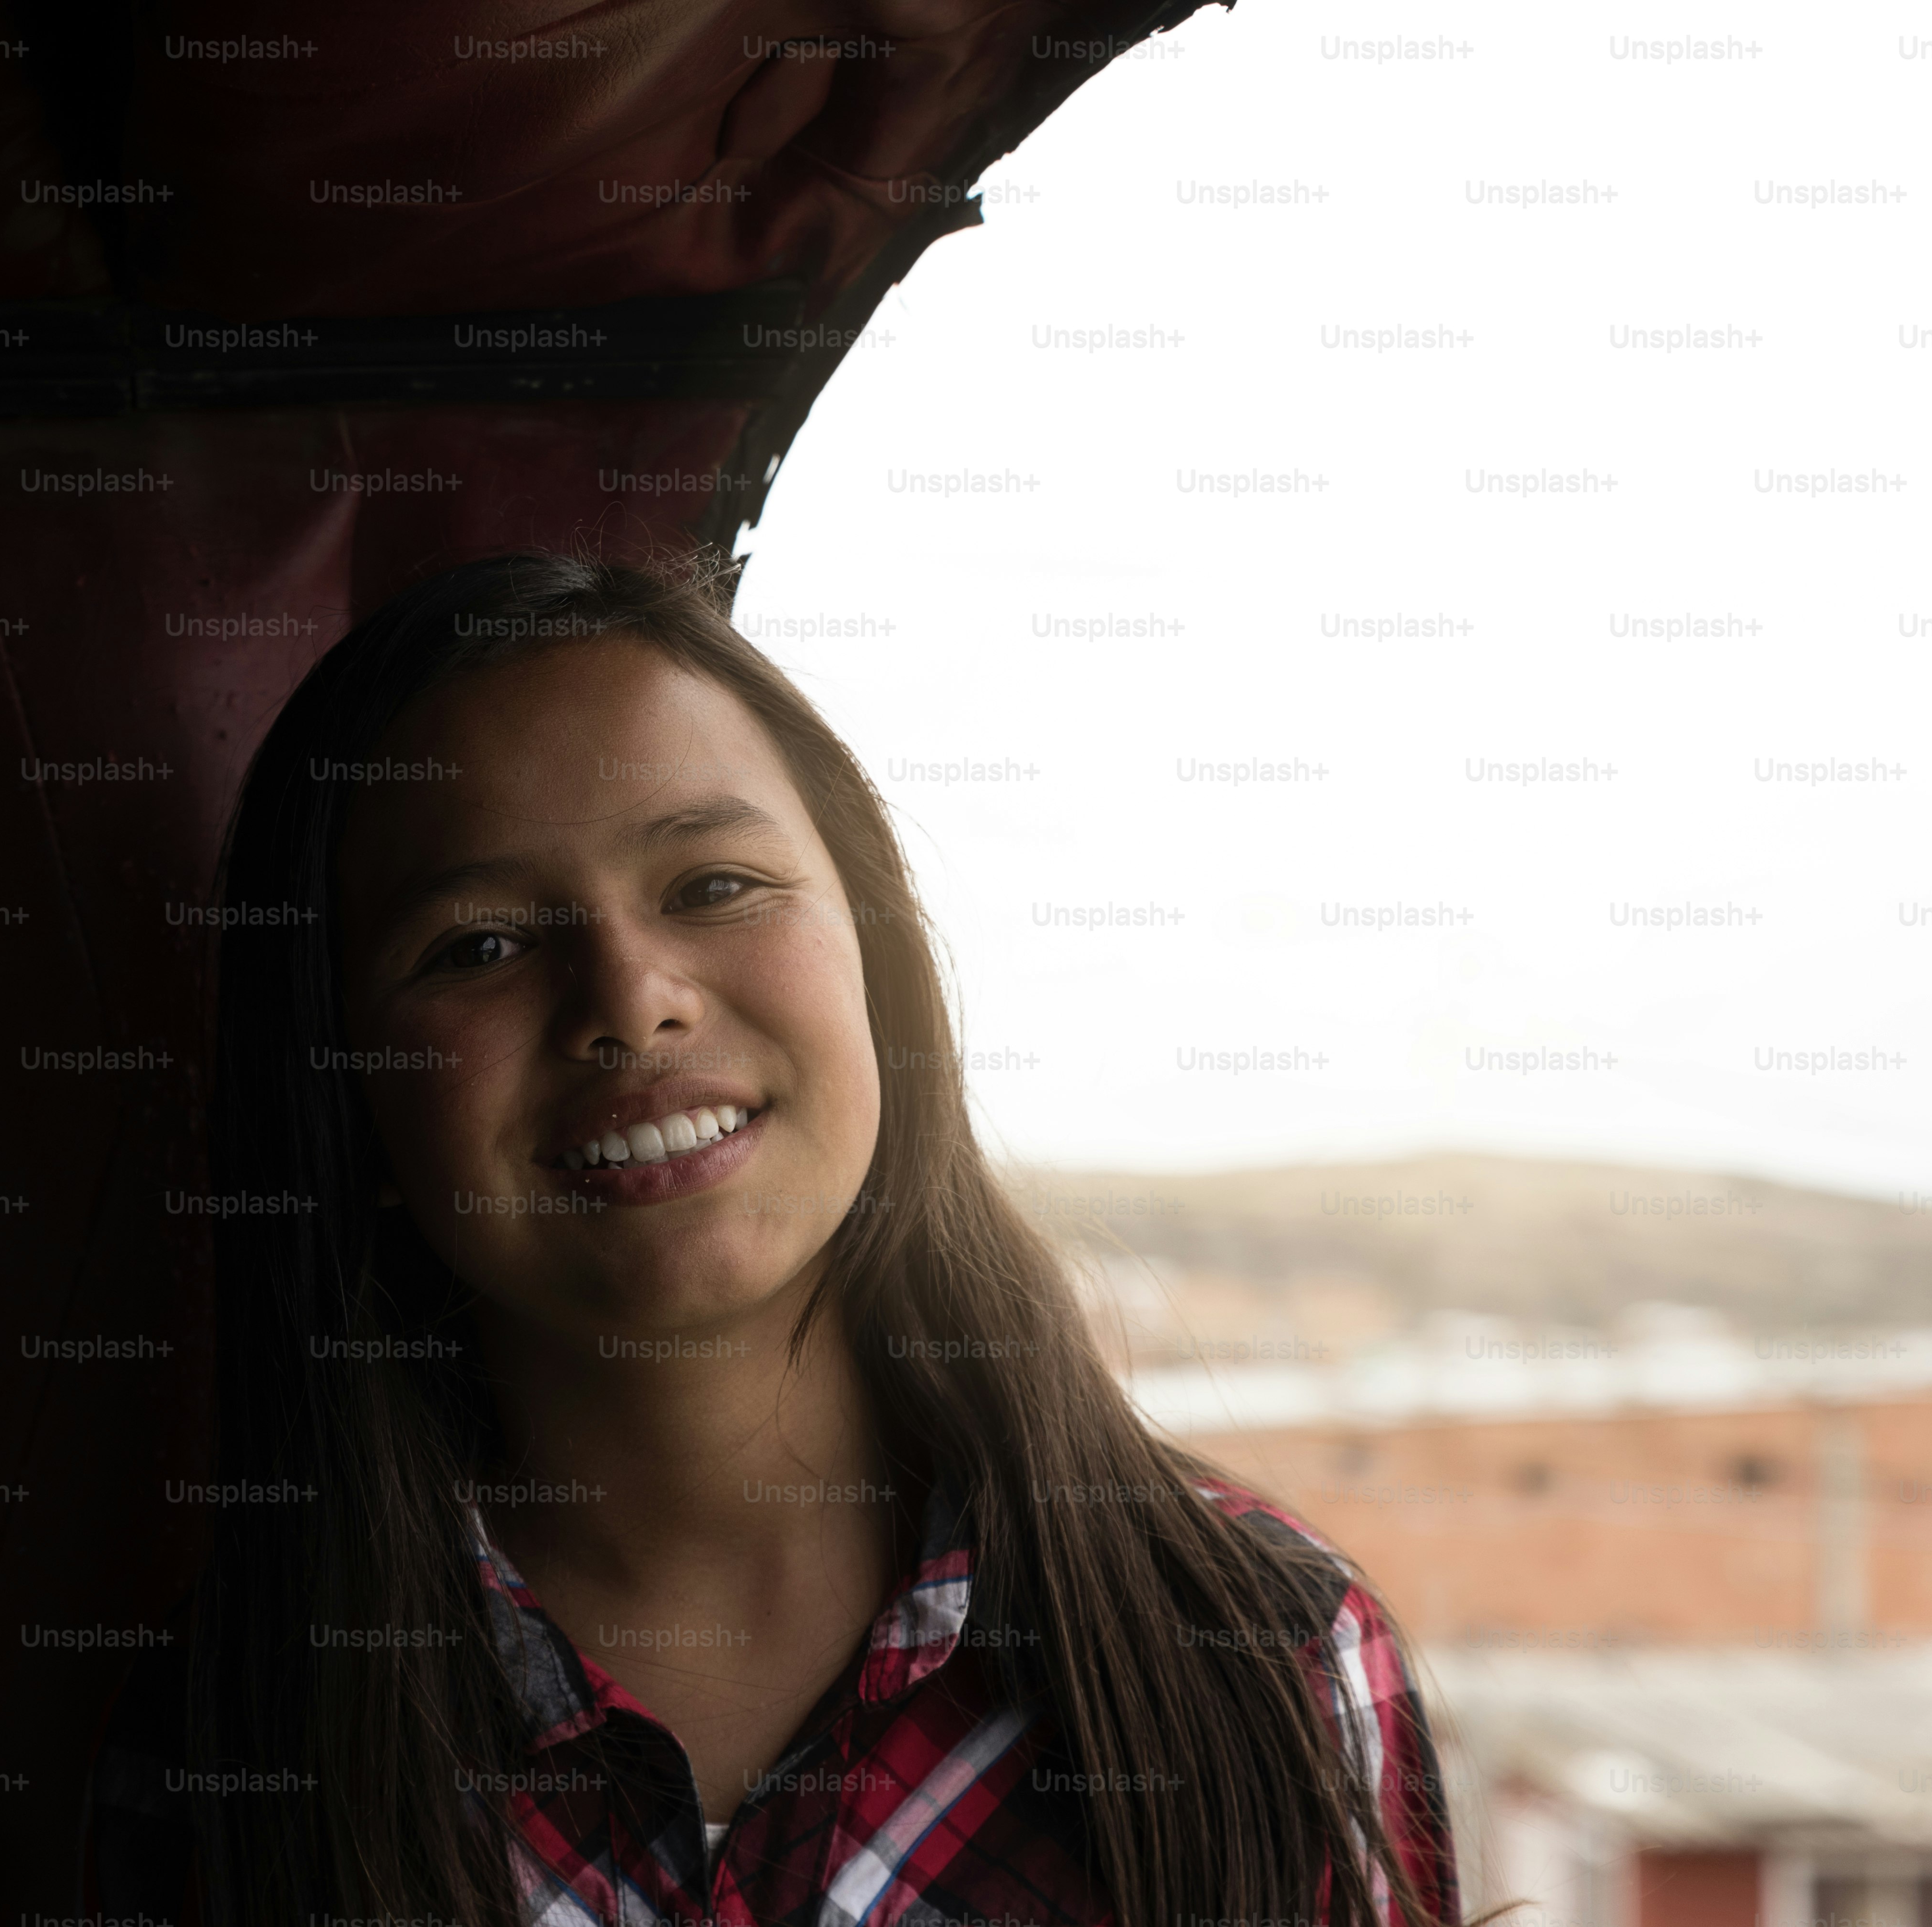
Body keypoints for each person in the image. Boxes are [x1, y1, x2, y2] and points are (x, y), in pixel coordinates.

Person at [121, 548, 1458, 1927]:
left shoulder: (1257, 1655)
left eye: (712, 887)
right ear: (345, 1094)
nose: (632, 1003)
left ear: (878, 961)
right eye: (479, 946)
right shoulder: (228, 1761)